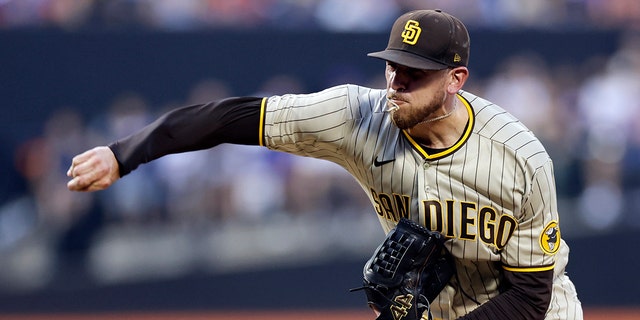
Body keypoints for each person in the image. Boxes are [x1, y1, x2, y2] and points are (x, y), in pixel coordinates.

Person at [66, 9, 582, 320]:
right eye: (393, 68)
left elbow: (531, 297)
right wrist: (124, 153)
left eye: (415, 74)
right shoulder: (358, 115)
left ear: (456, 79)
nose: (396, 84)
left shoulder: (519, 157)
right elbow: (232, 117)